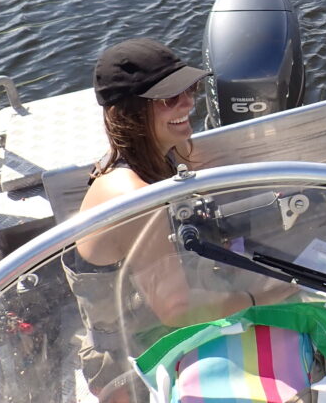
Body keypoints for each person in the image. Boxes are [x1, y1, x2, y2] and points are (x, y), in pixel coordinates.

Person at [63, 38, 253, 403]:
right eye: (170, 99)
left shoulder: (155, 158)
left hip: (158, 332)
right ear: (130, 114)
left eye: (190, 89)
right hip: (130, 368)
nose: (189, 104)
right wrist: (256, 297)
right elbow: (176, 309)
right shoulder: (131, 193)